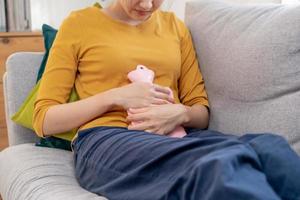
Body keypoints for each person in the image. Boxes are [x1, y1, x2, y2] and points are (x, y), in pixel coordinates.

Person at [33, 0, 300, 199]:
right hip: (109, 137)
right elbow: (44, 120)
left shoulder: (175, 27)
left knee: (269, 147)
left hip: (179, 133)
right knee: (220, 164)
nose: (148, 5)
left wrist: (180, 114)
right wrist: (114, 97)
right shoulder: (79, 24)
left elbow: (201, 110)